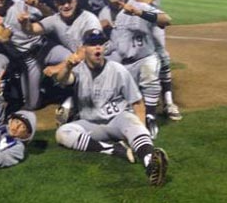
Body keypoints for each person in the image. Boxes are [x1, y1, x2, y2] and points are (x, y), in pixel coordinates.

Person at [48, 29, 169, 187]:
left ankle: (150, 164)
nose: (98, 47)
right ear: (84, 48)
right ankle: (114, 149)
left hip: (118, 120)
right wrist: (68, 66)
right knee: (62, 133)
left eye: (100, 43)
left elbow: (138, 103)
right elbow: (63, 79)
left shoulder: (118, 70)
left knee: (135, 126)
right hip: (91, 124)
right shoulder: (78, 70)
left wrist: (139, 130)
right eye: (92, 44)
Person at [98, 0, 174, 138]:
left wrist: (140, 13)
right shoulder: (104, 13)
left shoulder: (137, 4)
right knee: (120, 104)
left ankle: (150, 116)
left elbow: (167, 19)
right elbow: (112, 44)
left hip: (145, 57)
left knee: (149, 72)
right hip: (124, 63)